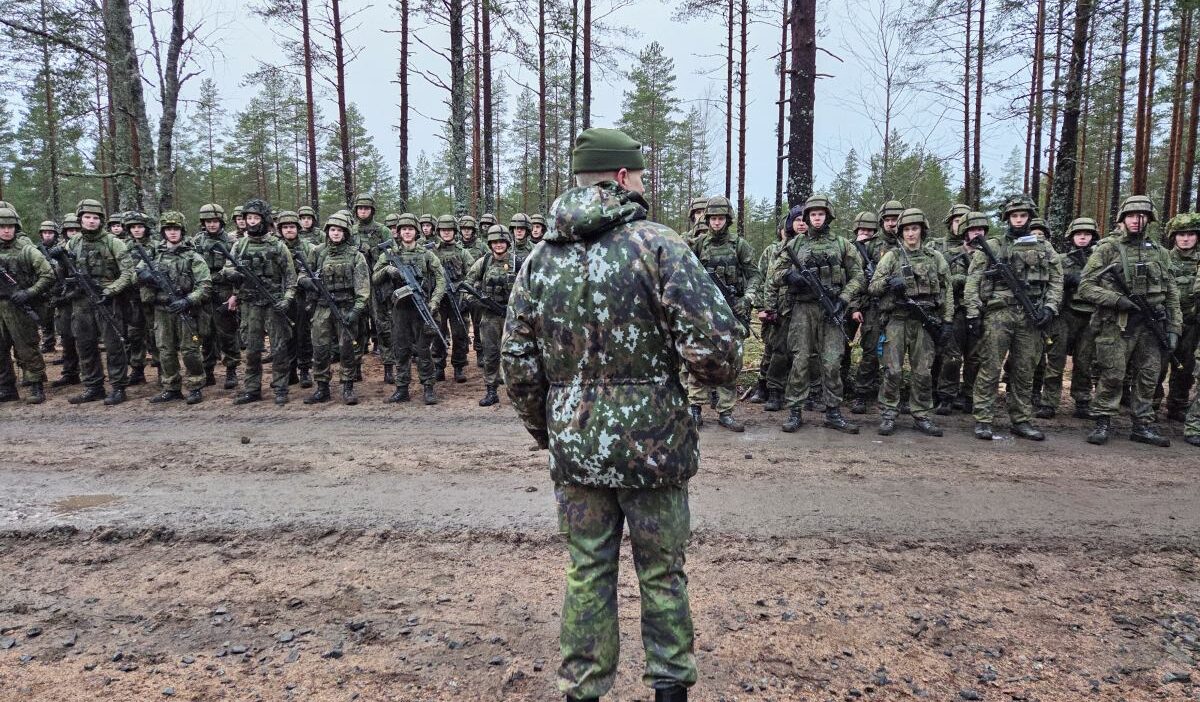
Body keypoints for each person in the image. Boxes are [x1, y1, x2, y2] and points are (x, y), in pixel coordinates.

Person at [501, 127, 740, 702]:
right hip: (654, 446)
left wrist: (552, 429)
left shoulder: (538, 260)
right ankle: (670, 691)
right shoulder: (659, 245)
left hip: (576, 447)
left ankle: (583, 692)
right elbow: (718, 350)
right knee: (662, 574)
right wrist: (697, 383)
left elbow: (516, 364)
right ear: (625, 177)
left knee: (587, 570)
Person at [1078, 195, 1181, 446]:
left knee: (1149, 376)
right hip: (1117, 323)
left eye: (1142, 216)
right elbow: (1086, 286)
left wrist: (1174, 328)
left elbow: (1172, 292)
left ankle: (1142, 425)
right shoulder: (1107, 249)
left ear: (1150, 220)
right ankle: (1103, 420)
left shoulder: (1160, 252)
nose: (1137, 221)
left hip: (1152, 323)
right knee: (1113, 374)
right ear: (1123, 219)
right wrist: (1116, 299)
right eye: (1132, 216)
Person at [963, 195, 1062, 441]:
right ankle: (983, 419)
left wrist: (1050, 308)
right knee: (990, 367)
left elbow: (1056, 280)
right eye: (1014, 216)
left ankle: (1021, 420)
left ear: (1030, 217)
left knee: (1024, 370)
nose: (1018, 220)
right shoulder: (994, 245)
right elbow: (973, 281)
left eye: (1023, 215)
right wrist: (973, 313)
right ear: (1007, 218)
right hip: (999, 313)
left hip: (1031, 316)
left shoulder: (1044, 247)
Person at [771, 194, 864, 433]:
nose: (817, 219)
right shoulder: (796, 244)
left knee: (832, 361)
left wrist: (843, 299)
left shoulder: (842, 244)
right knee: (800, 360)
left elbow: (858, 276)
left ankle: (833, 411)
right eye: (813, 215)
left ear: (828, 216)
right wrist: (790, 276)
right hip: (803, 310)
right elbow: (775, 273)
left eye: (821, 214)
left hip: (832, 309)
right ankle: (795, 411)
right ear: (808, 218)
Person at [868, 208, 952, 436]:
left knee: (923, 372)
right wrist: (889, 283)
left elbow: (947, 290)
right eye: (906, 229)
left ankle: (922, 415)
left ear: (922, 230)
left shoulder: (935, 258)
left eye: (915, 229)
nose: (911, 234)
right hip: (896, 320)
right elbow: (873, 287)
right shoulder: (892, 257)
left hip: (925, 322)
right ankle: (888, 414)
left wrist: (947, 321)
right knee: (892, 370)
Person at [686, 195, 758, 431]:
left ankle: (726, 411)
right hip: (703, 311)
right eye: (713, 218)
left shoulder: (739, 245)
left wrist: (747, 298)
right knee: (699, 356)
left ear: (728, 220)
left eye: (721, 218)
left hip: (730, 310)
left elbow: (754, 275)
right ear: (707, 220)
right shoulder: (697, 244)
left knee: (729, 359)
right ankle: (695, 407)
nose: (717, 223)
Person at [63, 198, 136, 406]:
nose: (91, 221)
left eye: (95, 218)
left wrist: (111, 290)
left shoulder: (114, 242)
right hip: (81, 302)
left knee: (114, 345)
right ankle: (93, 386)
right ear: (80, 219)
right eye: (87, 217)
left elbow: (128, 272)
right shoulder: (73, 243)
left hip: (107, 300)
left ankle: (118, 387)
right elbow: (63, 271)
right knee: (85, 345)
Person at [225, 199, 297, 406]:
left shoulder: (278, 245)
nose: (252, 222)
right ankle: (252, 389)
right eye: (249, 218)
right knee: (252, 349)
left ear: (264, 220)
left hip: (273, 303)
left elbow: (291, 279)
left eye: (256, 218)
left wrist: (286, 300)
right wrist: (236, 274)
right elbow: (226, 269)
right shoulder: (240, 245)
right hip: (249, 304)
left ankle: (281, 387)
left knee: (279, 347)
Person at [137, 211, 211, 405]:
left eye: (176, 229)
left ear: (182, 231)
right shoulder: (153, 255)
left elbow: (205, 285)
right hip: (162, 310)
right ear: (163, 231)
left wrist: (188, 300)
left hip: (185, 310)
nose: (172, 233)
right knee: (165, 350)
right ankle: (171, 387)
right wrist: (145, 276)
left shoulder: (192, 256)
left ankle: (195, 387)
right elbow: (135, 274)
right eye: (168, 229)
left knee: (190, 350)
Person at [375, 213, 445, 404]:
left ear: (416, 231)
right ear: (398, 232)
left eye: (410, 229)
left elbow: (441, 279)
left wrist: (435, 302)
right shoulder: (389, 254)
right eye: (403, 229)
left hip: (421, 307)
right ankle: (402, 388)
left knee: (423, 350)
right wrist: (387, 270)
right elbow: (374, 277)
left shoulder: (426, 254)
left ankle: (428, 388)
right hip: (399, 309)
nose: (407, 232)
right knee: (401, 349)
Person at [302, 211, 369, 405]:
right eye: (332, 229)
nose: (336, 233)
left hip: (346, 307)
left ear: (346, 232)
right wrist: (308, 282)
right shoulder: (318, 252)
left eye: (340, 230)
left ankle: (347, 387)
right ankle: (322, 387)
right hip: (322, 307)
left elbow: (363, 288)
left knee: (347, 349)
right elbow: (301, 273)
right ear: (327, 231)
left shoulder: (355, 256)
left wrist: (356, 311)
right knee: (320, 348)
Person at [1036, 217, 1099, 419]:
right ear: (1071, 237)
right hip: (1064, 315)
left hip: (1090, 316)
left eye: (1087, 234)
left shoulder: (1100, 260)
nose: (1082, 237)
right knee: (1056, 361)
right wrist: (1067, 281)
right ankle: (1049, 402)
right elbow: (1048, 281)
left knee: (1084, 361)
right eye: (1078, 234)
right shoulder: (1061, 259)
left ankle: (1082, 401)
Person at [850, 199, 903, 413]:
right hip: (873, 306)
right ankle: (862, 393)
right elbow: (856, 278)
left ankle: (893, 395)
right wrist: (855, 307)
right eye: (888, 220)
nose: (892, 224)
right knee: (870, 351)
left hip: (900, 307)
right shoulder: (870, 246)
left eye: (895, 219)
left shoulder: (907, 246)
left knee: (896, 355)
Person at [0, 206, 53, 404]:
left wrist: (29, 293)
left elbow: (48, 274)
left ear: (16, 227)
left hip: (19, 306)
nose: (6, 230)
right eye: (2, 226)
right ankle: (6, 387)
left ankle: (36, 386)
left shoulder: (27, 249)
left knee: (27, 347)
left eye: (10, 226)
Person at [191, 203, 241, 389]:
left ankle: (231, 370)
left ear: (221, 221)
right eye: (208, 221)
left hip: (223, 291)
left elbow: (237, 271)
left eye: (214, 221)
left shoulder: (230, 242)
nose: (211, 224)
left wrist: (235, 295)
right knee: (205, 334)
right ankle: (208, 370)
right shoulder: (196, 242)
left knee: (227, 332)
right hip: (203, 293)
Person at [1162, 213, 1200, 422]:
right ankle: (1151, 404)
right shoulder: (1163, 258)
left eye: (1191, 234)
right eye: (1181, 235)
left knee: (1185, 366)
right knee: (1156, 366)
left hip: (1192, 323)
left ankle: (1177, 405)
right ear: (1173, 237)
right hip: (1164, 321)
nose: (1185, 239)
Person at [431, 214, 472, 383]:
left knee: (460, 332)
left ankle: (458, 367)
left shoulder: (463, 253)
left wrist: (464, 292)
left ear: (455, 232)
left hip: (457, 297)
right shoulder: (431, 251)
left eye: (449, 230)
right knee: (438, 332)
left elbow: (471, 274)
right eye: (443, 230)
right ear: (438, 231)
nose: (446, 233)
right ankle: (439, 367)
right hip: (439, 297)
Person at [277, 211, 316, 389]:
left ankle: (305, 370)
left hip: (302, 297)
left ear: (298, 228)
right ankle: (289, 371)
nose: (289, 230)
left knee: (303, 334)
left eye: (292, 227)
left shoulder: (308, 247)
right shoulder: (275, 247)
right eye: (285, 227)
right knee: (284, 336)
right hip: (280, 297)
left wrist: (304, 279)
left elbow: (313, 269)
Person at [123, 211, 156, 385]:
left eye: (140, 226)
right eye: (133, 227)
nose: (137, 230)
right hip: (132, 297)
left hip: (151, 297)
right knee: (134, 335)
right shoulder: (124, 246)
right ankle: (137, 369)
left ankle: (161, 368)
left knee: (155, 334)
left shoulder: (155, 246)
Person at [48, 214, 81, 388]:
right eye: (70, 230)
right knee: (67, 337)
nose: (73, 233)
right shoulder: (58, 250)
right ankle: (70, 372)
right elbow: (54, 275)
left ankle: (89, 373)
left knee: (83, 338)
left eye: (76, 229)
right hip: (65, 300)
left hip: (82, 298)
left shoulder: (83, 247)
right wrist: (56, 295)